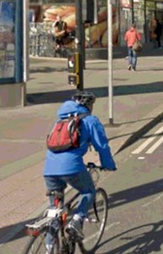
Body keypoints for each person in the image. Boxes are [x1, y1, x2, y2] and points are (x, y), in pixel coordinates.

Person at [43, 91, 116, 241]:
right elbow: (102, 145)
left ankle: (49, 246)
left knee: (54, 210)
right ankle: (77, 220)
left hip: (49, 168)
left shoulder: (59, 121)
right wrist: (108, 164)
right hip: (72, 167)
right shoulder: (90, 120)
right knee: (88, 191)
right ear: (89, 105)